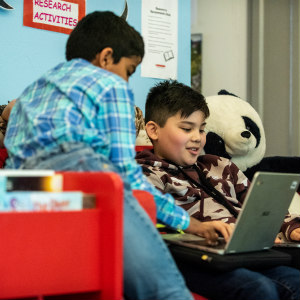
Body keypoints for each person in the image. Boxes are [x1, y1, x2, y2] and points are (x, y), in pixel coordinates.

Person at [3, 11, 233, 300]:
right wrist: (192, 224)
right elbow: (125, 176)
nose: (127, 79)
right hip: (83, 177)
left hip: (24, 197)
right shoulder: (109, 84)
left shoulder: (33, 92)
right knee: (166, 289)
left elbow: (14, 155)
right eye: (130, 69)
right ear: (106, 57)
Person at [136, 79, 300, 300]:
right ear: (153, 130)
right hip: (195, 259)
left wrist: (290, 227)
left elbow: (258, 205)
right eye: (187, 128)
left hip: (244, 253)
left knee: (295, 281)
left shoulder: (221, 166)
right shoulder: (145, 176)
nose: (197, 137)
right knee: (258, 289)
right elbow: (156, 231)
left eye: (202, 129)